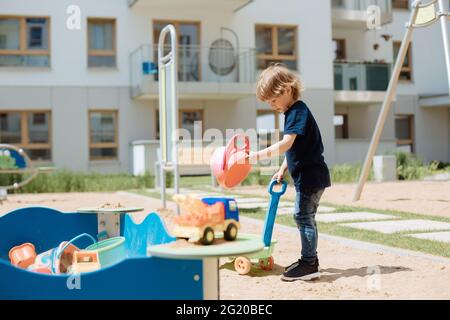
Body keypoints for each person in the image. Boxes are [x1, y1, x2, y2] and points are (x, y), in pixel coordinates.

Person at [247, 63, 331, 281]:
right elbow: (294, 148)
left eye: (274, 101)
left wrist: (256, 156)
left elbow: (286, 144)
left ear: (285, 90)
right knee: (304, 216)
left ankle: (309, 263)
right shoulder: (293, 112)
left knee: (303, 216)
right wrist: (283, 168)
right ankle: (309, 260)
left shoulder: (297, 111)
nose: (273, 106)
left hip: (311, 176)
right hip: (309, 176)